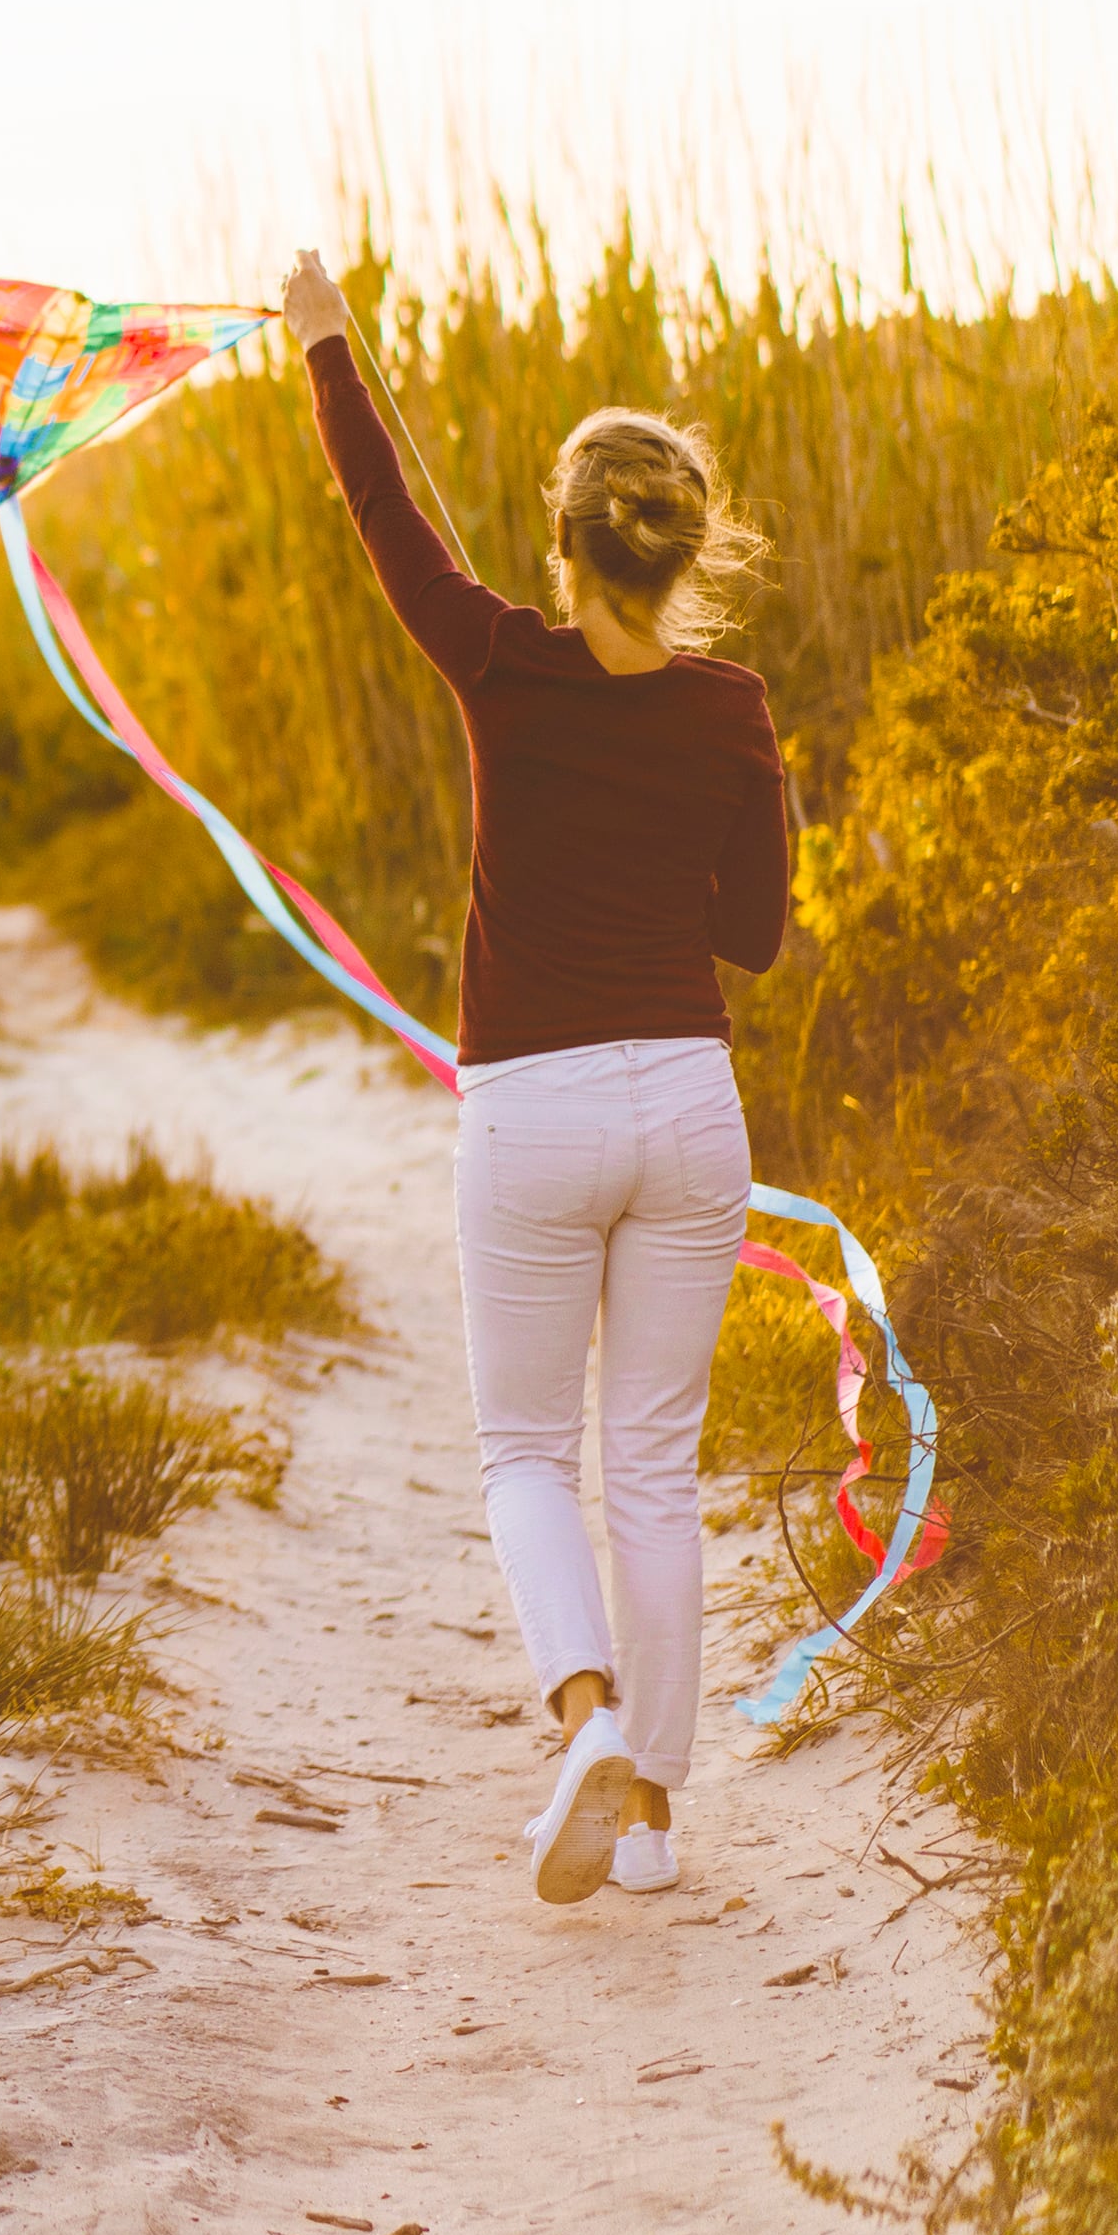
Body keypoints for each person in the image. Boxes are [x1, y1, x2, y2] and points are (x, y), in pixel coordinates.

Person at [290, 247, 789, 1909]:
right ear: (691, 549)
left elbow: (389, 535)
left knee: (526, 1455)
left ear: (563, 544)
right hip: (689, 1108)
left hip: (531, 1109)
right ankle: (650, 1818)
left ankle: (583, 1714)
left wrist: (331, 352)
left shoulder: (500, 661)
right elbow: (759, 940)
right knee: (654, 1466)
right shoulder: (735, 709)